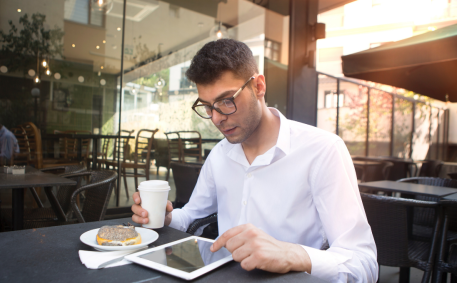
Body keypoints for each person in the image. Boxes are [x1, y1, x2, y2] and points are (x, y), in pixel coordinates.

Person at [132, 39, 377, 282]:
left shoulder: (322, 151)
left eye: (227, 101)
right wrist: (167, 218)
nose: (216, 119)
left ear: (258, 86)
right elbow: (191, 216)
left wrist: (292, 253)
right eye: (207, 107)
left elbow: (363, 264)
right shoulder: (220, 154)